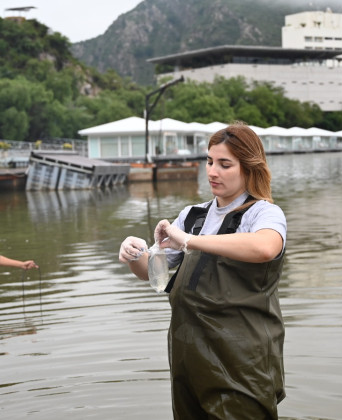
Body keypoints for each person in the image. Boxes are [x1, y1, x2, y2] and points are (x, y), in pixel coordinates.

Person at [119, 123, 287, 419]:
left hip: (241, 362)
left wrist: (190, 241)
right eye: (210, 161)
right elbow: (150, 272)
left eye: (225, 164)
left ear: (249, 167)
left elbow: (265, 247)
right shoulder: (192, 216)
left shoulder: (263, 213)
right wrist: (134, 254)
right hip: (188, 356)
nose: (212, 172)